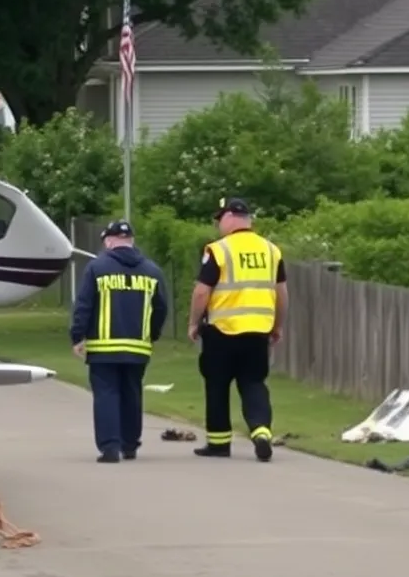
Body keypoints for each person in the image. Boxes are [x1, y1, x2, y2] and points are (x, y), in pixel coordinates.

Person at [187, 197, 287, 462]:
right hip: (258, 331)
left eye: (220, 219)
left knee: (217, 385)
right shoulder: (271, 251)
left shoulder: (218, 250)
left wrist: (194, 322)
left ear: (230, 217)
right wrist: (277, 325)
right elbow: (281, 293)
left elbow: (202, 291)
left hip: (222, 331)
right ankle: (261, 431)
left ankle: (219, 443)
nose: (218, 224)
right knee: (253, 382)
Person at [69, 220, 169, 463]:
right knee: (132, 394)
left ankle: (110, 447)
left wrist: (78, 336)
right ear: (131, 241)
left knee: (106, 394)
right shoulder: (152, 271)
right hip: (138, 346)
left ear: (109, 241)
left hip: (103, 347)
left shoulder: (97, 267)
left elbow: (84, 305)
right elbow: (161, 308)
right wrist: (152, 334)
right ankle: (130, 445)